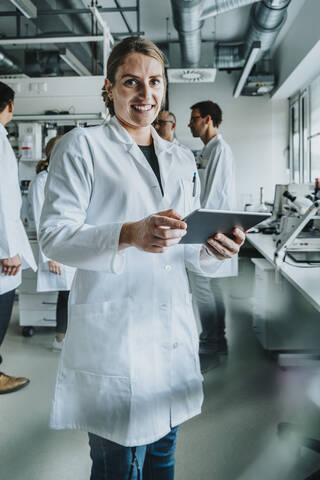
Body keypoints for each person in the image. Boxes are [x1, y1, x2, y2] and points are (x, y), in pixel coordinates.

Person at [39, 37, 244, 479]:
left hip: (170, 339)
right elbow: (54, 237)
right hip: (118, 343)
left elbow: (187, 251)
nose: (145, 94)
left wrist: (215, 249)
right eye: (132, 82)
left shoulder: (180, 157)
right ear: (110, 88)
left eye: (155, 82)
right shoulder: (82, 147)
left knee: (162, 460)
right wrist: (130, 233)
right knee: (119, 466)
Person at [188, 100, 237, 368]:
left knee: (206, 292)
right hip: (212, 231)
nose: (190, 124)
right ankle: (218, 343)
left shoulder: (219, 149)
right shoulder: (208, 150)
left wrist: (200, 235)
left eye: (193, 118)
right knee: (211, 292)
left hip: (211, 232)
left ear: (207, 119)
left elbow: (214, 196)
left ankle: (210, 348)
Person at [0, 81, 36, 394]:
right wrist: (8, 250)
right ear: (9, 106)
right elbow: (1, 199)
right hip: (2, 253)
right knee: (0, 311)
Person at [28, 136, 76, 351]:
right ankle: (60, 339)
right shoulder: (41, 181)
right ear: (52, 154)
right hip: (55, 249)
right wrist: (50, 256)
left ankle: (68, 336)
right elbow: (40, 220)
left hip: (70, 246)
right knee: (66, 295)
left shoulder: (64, 177)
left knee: (72, 293)